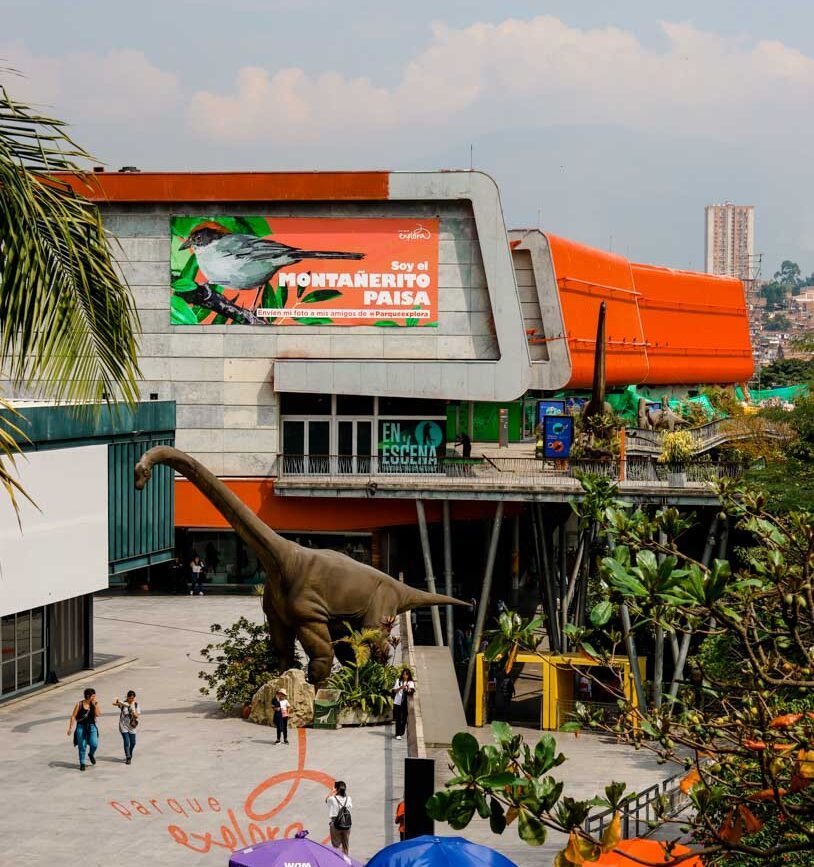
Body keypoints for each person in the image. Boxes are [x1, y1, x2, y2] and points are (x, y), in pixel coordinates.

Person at [67, 687, 99, 771]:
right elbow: (73, 716)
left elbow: (98, 714)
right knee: (82, 746)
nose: (94, 697)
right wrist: (70, 728)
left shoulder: (94, 704)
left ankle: (91, 754)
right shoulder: (79, 704)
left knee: (94, 744)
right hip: (81, 727)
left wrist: (95, 705)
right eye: (93, 696)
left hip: (92, 726)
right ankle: (82, 763)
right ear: (88, 696)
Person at [325, 780, 352, 854]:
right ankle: (345, 860)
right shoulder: (349, 798)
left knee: (336, 846)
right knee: (345, 846)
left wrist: (332, 791)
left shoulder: (332, 799)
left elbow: (326, 799)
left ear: (336, 789)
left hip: (335, 824)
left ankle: (338, 860)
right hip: (346, 824)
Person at [113, 690, 140, 764]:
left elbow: (137, 716)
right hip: (123, 725)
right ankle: (128, 757)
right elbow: (114, 703)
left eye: (132, 698)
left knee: (133, 742)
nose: (131, 699)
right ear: (127, 697)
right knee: (126, 741)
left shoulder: (136, 705)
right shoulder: (123, 704)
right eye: (130, 698)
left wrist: (132, 711)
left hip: (132, 726)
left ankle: (130, 753)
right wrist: (118, 701)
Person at [392, 668, 415, 740]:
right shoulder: (398, 681)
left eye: (406, 675)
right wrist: (400, 688)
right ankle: (397, 734)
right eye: (403, 674)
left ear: (408, 675)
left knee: (404, 719)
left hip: (405, 703)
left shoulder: (410, 682)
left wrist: (407, 689)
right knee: (398, 719)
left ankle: (401, 732)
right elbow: (394, 691)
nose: (404, 676)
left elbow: (411, 691)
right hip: (397, 702)